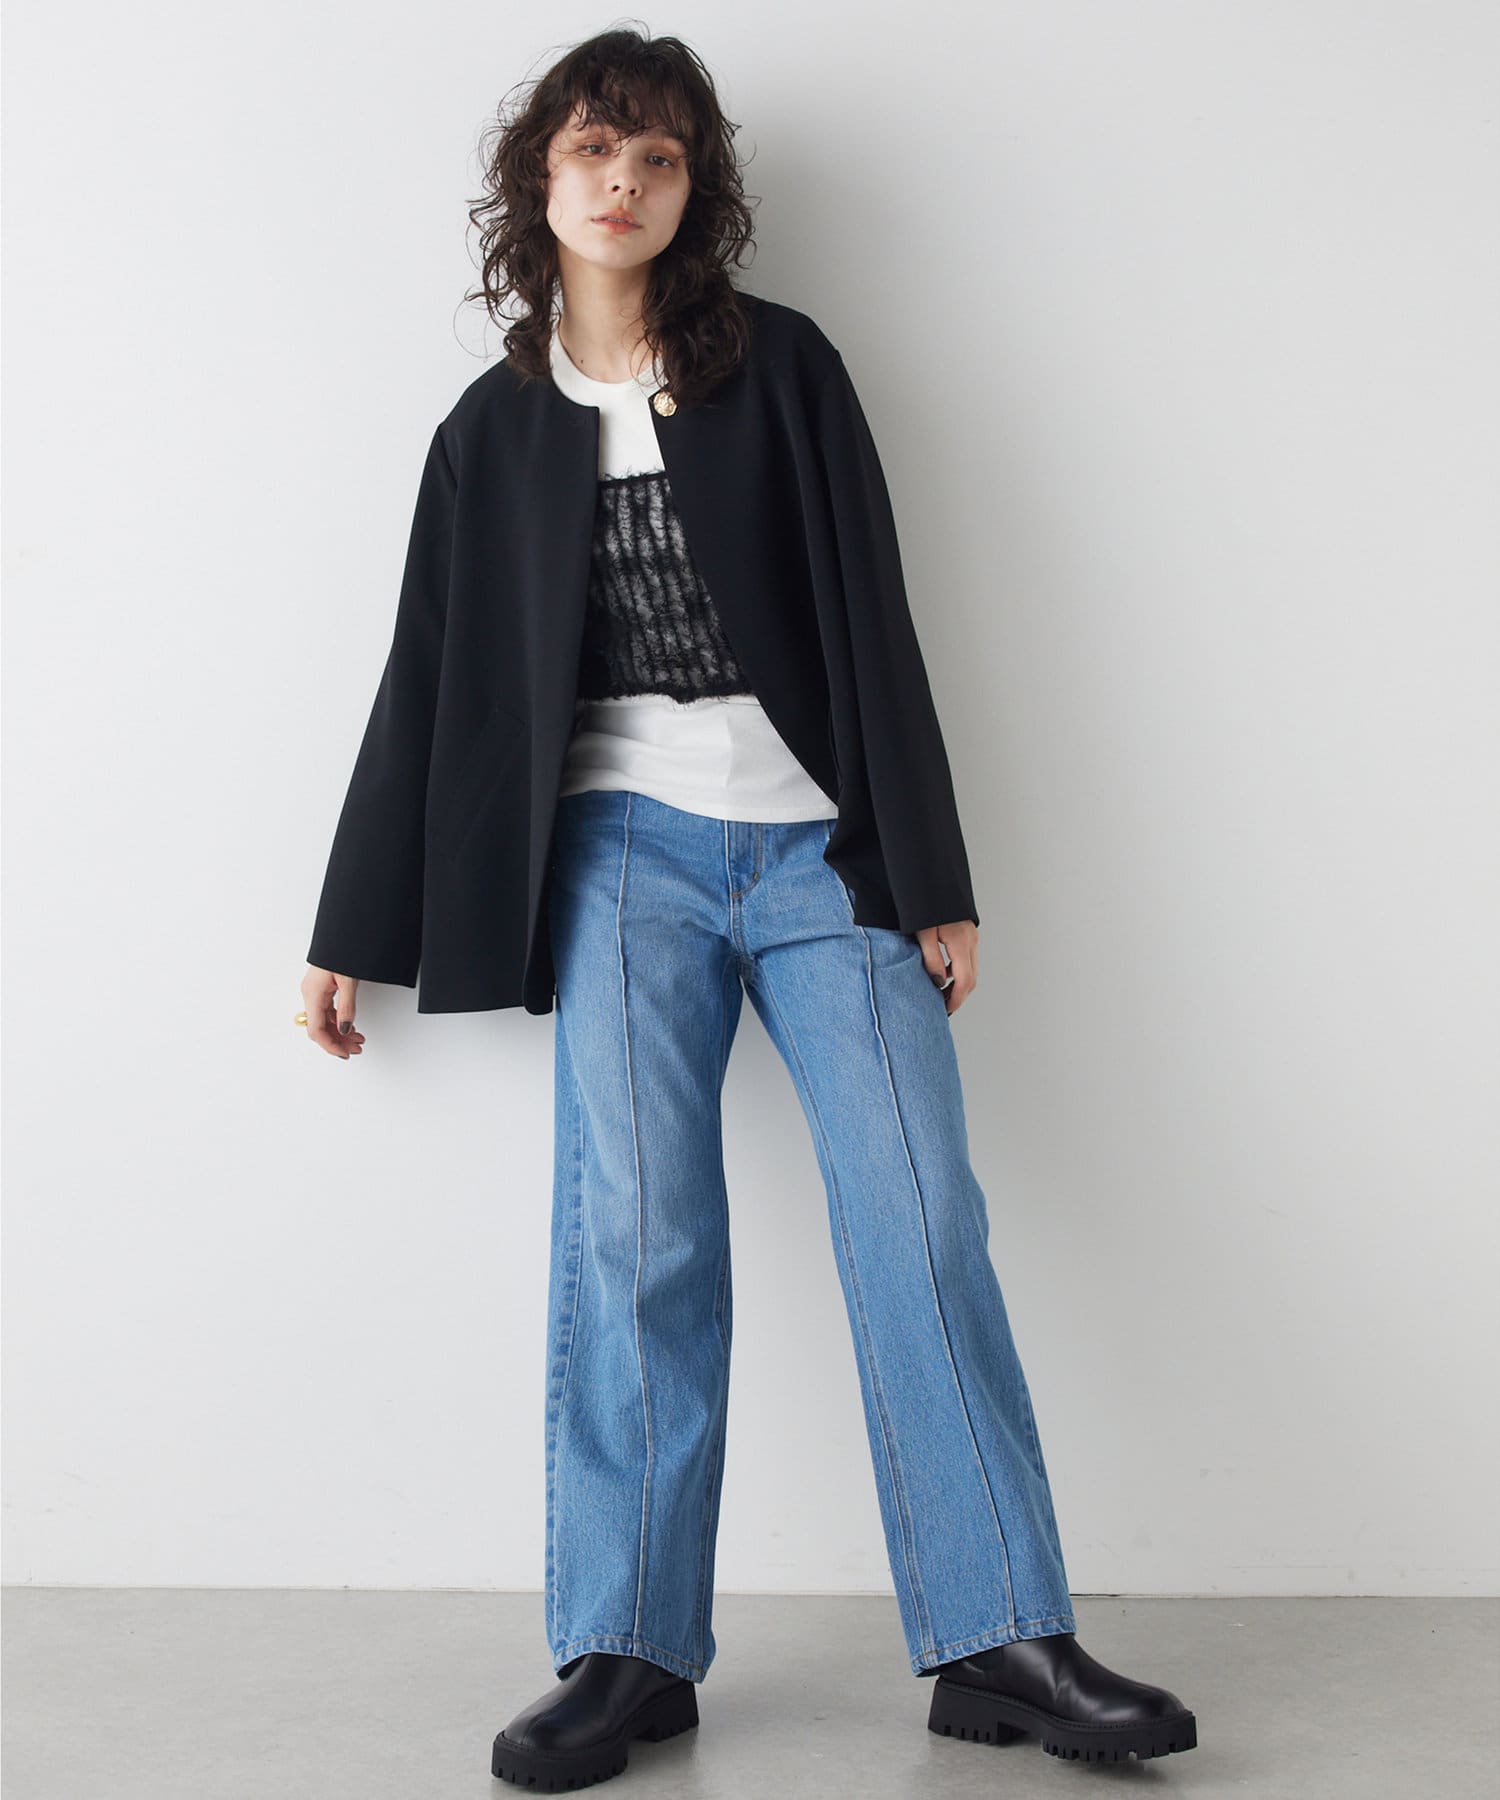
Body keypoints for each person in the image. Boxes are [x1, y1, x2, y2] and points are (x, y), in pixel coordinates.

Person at [299, 28, 1198, 1790]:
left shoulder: (782, 370)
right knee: (638, 1243)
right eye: (592, 151)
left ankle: (1000, 1635)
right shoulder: (489, 434)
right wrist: (352, 925)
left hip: (819, 860)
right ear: (540, 180)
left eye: (657, 158)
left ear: (694, 190)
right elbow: (429, 683)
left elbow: (875, 617)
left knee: (919, 1219)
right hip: (617, 861)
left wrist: (929, 877)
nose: (621, 183)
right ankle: (627, 1648)